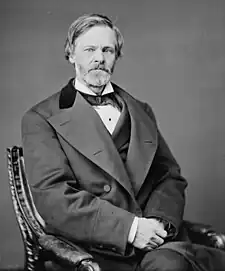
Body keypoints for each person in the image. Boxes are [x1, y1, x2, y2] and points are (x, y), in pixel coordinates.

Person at [21, 13, 225, 271]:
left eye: (108, 50)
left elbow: (169, 177)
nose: (99, 58)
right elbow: (55, 199)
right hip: (97, 250)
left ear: (116, 56)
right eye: (89, 49)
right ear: (71, 54)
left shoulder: (142, 111)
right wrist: (131, 230)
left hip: (159, 244)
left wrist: (158, 224)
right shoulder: (41, 118)